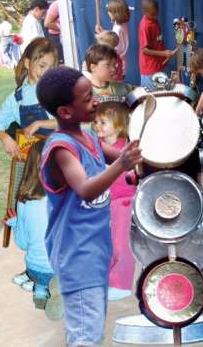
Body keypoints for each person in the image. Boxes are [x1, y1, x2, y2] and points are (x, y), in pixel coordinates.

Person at [36, 67, 142, 346]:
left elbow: (122, 160)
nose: (95, 101)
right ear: (65, 111)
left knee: (92, 328)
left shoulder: (89, 137)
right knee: (86, 337)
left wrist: (140, 165)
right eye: (86, 99)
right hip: (77, 255)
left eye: (92, 94)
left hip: (95, 251)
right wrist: (122, 165)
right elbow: (84, 188)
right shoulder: (62, 148)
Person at [4, 140, 57, 312]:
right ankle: (63, 292)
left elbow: (23, 243)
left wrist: (14, 222)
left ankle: (40, 292)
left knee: (40, 278)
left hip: (36, 270)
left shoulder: (24, 202)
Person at [92, 102, 136, 301]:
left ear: (118, 126)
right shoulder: (100, 147)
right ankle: (108, 279)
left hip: (124, 202)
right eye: (96, 122)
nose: (97, 126)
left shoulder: (124, 149)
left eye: (103, 122)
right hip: (107, 202)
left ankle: (121, 284)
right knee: (107, 243)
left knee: (121, 244)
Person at [0, 38, 58, 159]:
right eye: (42, 65)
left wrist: (38, 124)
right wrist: (6, 138)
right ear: (27, 63)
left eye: (51, 67)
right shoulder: (17, 98)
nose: (46, 72)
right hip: (32, 164)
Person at [138, 0, 175, 90]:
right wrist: (163, 53)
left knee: (164, 93)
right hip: (150, 68)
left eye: (157, 13)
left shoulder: (155, 21)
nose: (155, 16)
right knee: (152, 96)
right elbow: (144, 49)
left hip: (160, 64)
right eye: (153, 15)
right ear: (144, 12)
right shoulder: (144, 26)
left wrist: (164, 55)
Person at [96, 0, 130, 79]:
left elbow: (113, 44)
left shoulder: (118, 28)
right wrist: (102, 32)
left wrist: (100, 36)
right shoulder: (122, 24)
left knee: (114, 87)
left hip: (117, 65)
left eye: (109, 11)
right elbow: (113, 37)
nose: (108, 13)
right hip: (121, 63)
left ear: (115, 14)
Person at [44, 0, 64, 64]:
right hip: (56, 37)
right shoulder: (57, 5)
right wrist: (64, 29)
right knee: (61, 63)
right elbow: (47, 23)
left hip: (66, 36)